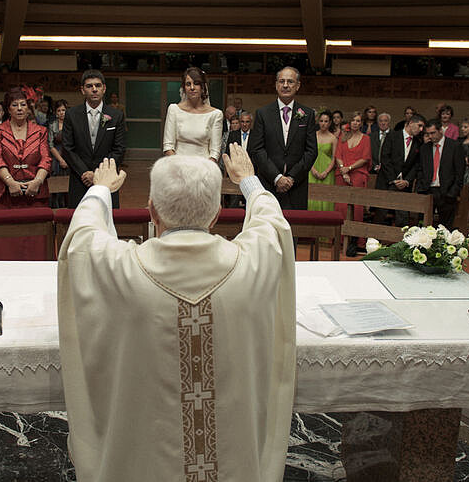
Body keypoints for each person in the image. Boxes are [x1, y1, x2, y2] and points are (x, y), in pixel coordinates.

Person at [57, 146, 295, 482]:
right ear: (216, 215)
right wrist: (248, 181)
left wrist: (100, 189)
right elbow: (272, 224)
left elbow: (81, 238)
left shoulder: (121, 270)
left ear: (151, 211)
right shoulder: (251, 263)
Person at [0, 89, 52, 259]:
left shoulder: (41, 131)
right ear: (8, 109)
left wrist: (37, 182)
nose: (20, 108)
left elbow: (46, 159)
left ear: (29, 108)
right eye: (15, 105)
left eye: (23, 104)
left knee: (36, 245)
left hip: (35, 195)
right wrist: (11, 183)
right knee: (6, 245)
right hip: (5, 196)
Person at [248, 66, 318, 209]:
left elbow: (311, 151)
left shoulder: (307, 114)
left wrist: (291, 178)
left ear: (297, 86)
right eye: (282, 81)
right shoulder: (263, 113)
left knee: (295, 229)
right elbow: (256, 149)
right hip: (268, 184)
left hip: (296, 186)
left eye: (290, 82)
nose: (285, 85)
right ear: (276, 85)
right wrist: (277, 177)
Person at [61, 70, 126, 208]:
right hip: (80, 179)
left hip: (106, 179)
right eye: (89, 86)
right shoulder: (72, 115)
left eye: (98, 85)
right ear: (83, 90)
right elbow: (67, 148)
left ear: (104, 88)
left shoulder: (116, 115)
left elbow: (119, 149)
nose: (94, 89)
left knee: (106, 221)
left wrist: (97, 173)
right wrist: (85, 173)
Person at [162, 67, 223, 161]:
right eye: (188, 84)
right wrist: (181, 166)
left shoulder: (215, 114)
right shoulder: (174, 109)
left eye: (196, 83)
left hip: (204, 168)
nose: (192, 88)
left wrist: (204, 169)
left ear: (203, 87)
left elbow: (215, 152)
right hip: (177, 166)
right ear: (184, 88)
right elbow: (168, 146)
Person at [416, 119, 465, 230]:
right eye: (427, 134)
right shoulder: (425, 148)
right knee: (423, 226)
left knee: (445, 229)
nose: (430, 136)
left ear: (441, 131)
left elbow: (460, 173)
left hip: (446, 191)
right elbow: (420, 170)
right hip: (428, 190)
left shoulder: (454, 146)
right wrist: (421, 187)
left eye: (433, 133)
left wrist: (453, 192)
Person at [335, 112, 372, 255]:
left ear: (361, 123)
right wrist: (344, 172)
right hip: (342, 175)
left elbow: (365, 158)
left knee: (357, 209)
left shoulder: (366, 139)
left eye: (358, 121)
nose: (355, 123)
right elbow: (338, 155)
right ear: (349, 123)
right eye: (353, 121)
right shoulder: (342, 137)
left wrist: (349, 169)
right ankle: (340, 239)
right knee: (341, 207)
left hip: (357, 174)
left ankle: (356, 241)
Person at [378, 113, 425, 226]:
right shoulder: (392, 136)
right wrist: (393, 180)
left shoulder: (418, 143)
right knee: (381, 215)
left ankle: (401, 242)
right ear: (410, 123)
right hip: (387, 182)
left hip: (404, 185)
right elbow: (385, 158)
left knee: (402, 217)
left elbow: (416, 165)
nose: (421, 129)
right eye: (419, 125)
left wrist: (407, 181)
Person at [308, 111, 337, 211]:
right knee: (311, 195)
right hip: (312, 167)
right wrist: (313, 170)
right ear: (318, 122)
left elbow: (334, 157)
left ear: (329, 123)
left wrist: (326, 172)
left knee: (325, 196)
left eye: (326, 121)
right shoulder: (312, 135)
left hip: (327, 169)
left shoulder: (333, 138)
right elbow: (307, 154)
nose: (323, 123)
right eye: (321, 121)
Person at [48, 99, 69, 207]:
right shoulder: (52, 125)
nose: (62, 112)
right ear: (56, 112)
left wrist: (67, 159)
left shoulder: (72, 124)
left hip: (70, 157)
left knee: (69, 187)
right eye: (59, 110)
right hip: (56, 158)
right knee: (56, 187)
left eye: (64, 110)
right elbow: (50, 145)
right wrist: (61, 160)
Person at [370, 112, 392, 176]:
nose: (383, 123)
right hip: (372, 172)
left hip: (389, 172)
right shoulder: (371, 136)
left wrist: (384, 167)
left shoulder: (396, 136)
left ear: (389, 122)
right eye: (380, 121)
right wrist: (375, 167)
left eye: (385, 121)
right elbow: (368, 154)